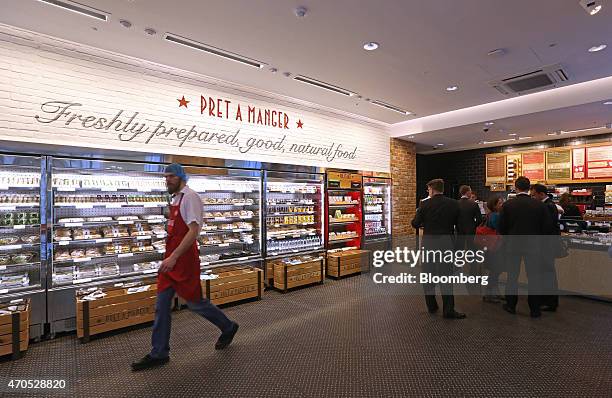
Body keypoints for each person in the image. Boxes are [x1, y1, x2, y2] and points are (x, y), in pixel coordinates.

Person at [132, 163, 239, 371]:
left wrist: (174, 257)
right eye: (166, 177)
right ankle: (159, 352)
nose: (167, 180)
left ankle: (228, 326)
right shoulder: (176, 198)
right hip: (171, 259)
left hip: (184, 259)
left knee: (195, 303)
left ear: (181, 177)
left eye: (171, 176)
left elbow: (193, 232)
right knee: (162, 304)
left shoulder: (190, 197)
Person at [498, 176, 554, 318]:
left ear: (515, 187)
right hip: (533, 246)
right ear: (529, 188)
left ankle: (511, 305)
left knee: (512, 276)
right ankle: (535, 309)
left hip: (513, 246)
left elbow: (501, 228)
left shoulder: (508, 205)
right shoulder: (539, 205)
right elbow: (547, 228)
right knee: (534, 277)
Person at [411, 179, 465, 319]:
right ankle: (448, 310)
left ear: (432, 189)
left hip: (429, 244)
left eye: (428, 189)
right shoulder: (454, 204)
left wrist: (420, 214)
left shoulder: (424, 204)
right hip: (446, 243)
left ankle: (432, 306)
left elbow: (415, 223)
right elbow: (460, 227)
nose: (428, 191)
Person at [530, 184, 560, 312]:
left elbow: (547, 227)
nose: (532, 197)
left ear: (541, 194)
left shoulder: (547, 206)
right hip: (546, 244)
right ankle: (545, 299)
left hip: (546, 245)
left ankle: (550, 302)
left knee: (548, 273)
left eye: (534, 195)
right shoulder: (549, 205)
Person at [482, 195, 503, 303]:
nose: (502, 204)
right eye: (500, 203)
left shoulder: (491, 215)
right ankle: (489, 295)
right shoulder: (495, 216)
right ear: (494, 205)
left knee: (495, 271)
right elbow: (499, 230)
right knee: (494, 271)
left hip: (492, 247)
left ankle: (495, 292)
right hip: (495, 248)